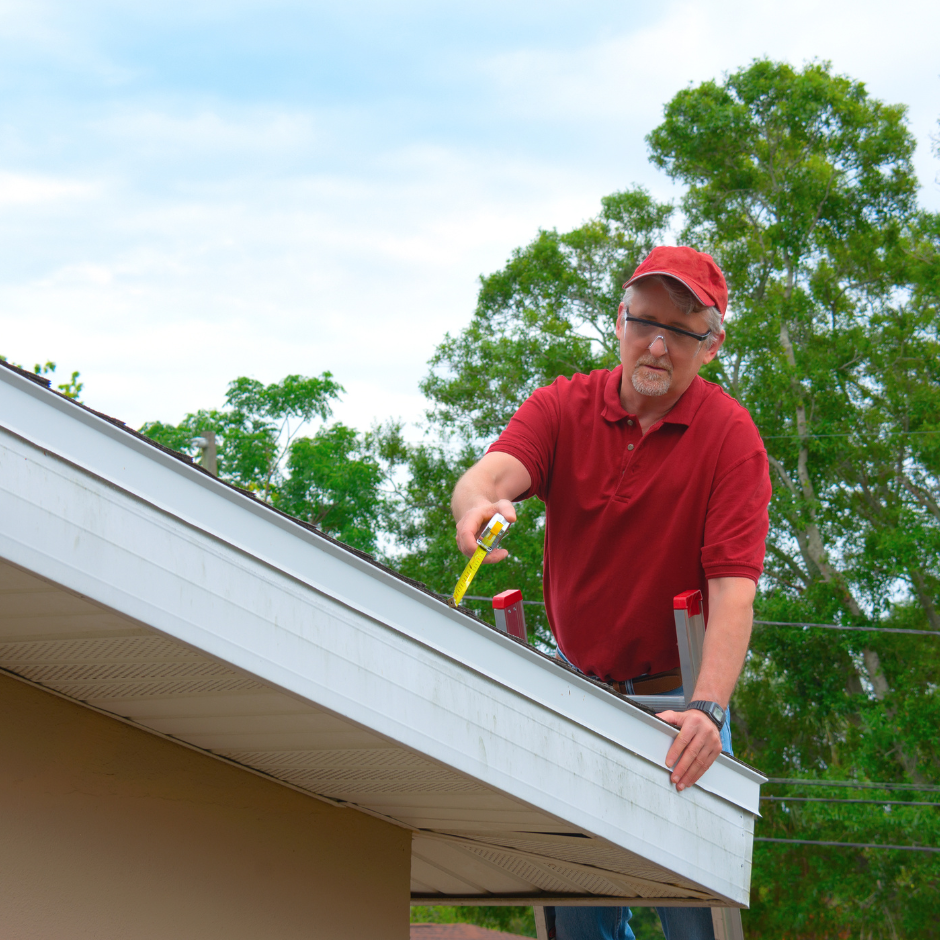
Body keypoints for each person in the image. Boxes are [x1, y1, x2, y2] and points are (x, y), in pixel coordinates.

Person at [450, 247, 772, 940]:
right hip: (578, 697)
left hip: (677, 714)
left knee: (694, 920)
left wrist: (708, 713)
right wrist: (477, 506)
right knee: (575, 920)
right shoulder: (563, 406)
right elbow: (491, 476)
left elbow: (734, 593)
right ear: (619, 321)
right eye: (643, 322)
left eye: (682, 329)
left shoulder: (729, 440)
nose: (657, 344)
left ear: (710, 345)